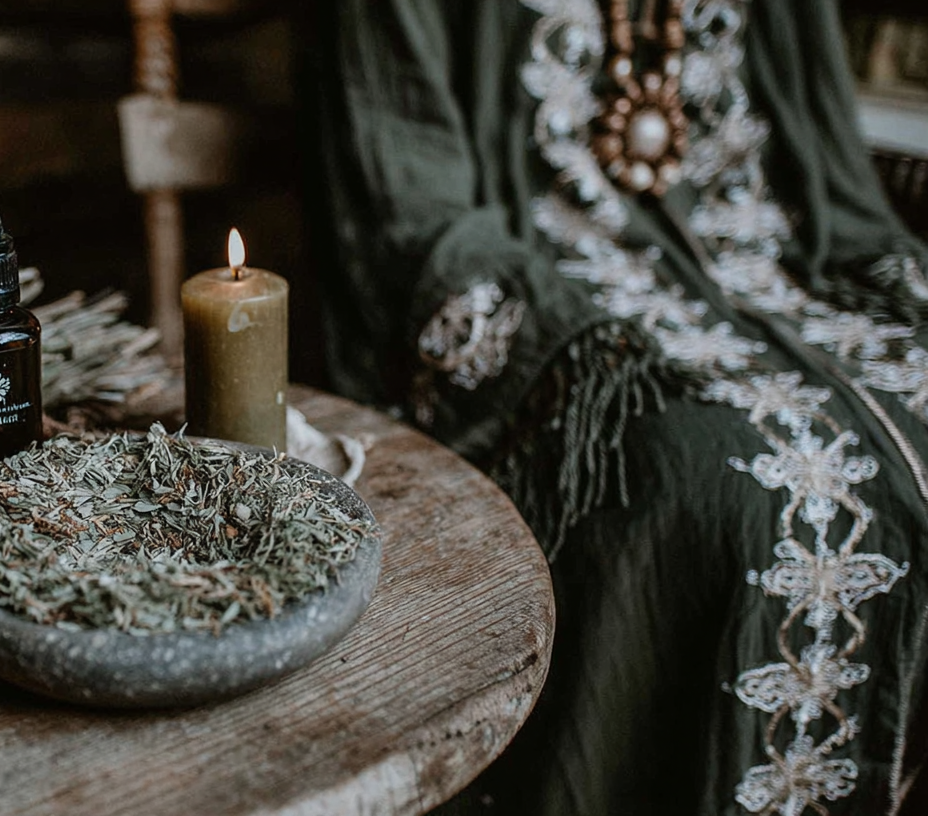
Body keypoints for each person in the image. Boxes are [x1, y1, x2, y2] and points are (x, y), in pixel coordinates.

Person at [309, 1, 928, 813]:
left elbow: (817, 146)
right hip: (556, 289)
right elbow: (409, 202)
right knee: (719, 478)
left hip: (771, 268)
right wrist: (586, 355)